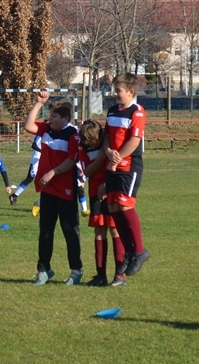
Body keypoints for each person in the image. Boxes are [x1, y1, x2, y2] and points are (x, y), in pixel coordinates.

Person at [28, 91, 83, 286]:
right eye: (49, 116)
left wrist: (52, 172)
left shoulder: (73, 135)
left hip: (65, 190)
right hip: (47, 189)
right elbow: (28, 125)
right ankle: (43, 270)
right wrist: (38, 103)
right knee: (45, 231)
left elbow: (72, 160)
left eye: (54, 116)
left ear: (65, 119)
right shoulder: (47, 130)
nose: (50, 119)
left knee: (70, 230)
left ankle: (76, 270)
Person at [101, 73, 149, 286]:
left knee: (125, 206)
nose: (115, 94)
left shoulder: (137, 111)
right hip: (113, 165)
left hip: (129, 167)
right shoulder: (112, 110)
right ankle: (129, 252)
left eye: (118, 90)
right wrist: (108, 152)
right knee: (113, 208)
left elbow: (134, 141)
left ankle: (139, 251)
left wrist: (117, 159)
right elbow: (106, 138)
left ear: (130, 91)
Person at [76, 119, 124, 287]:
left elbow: (118, 163)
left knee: (115, 229)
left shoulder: (107, 142)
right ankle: (100, 276)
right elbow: (87, 171)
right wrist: (103, 155)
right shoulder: (83, 146)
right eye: (88, 141)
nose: (91, 144)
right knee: (99, 231)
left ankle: (119, 275)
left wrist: (107, 183)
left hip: (112, 187)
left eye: (94, 140)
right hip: (95, 191)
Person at [9, 134, 42, 217]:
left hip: (45, 160)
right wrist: (43, 151)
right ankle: (14, 196)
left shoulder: (52, 134)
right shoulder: (40, 134)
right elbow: (34, 145)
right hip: (36, 159)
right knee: (30, 178)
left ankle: (42, 203)